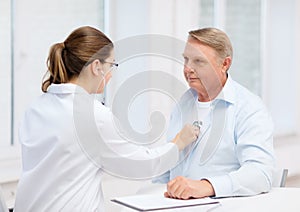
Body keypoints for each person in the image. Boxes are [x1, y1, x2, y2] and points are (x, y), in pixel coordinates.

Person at [14, 26, 199, 212]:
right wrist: (178, 142)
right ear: (96, 67)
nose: (111, 74)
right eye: (111, 65)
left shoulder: (35, 108)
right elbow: (142, 164)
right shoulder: (93, 116)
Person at [154, 27, 275, 199]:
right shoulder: (184, 103)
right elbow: (169, 171)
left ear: (225, 64)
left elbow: (261, 173)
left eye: (198, 61)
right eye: (186, 59)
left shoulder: (249, 108)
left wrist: (207, 186)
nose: (188, 69)